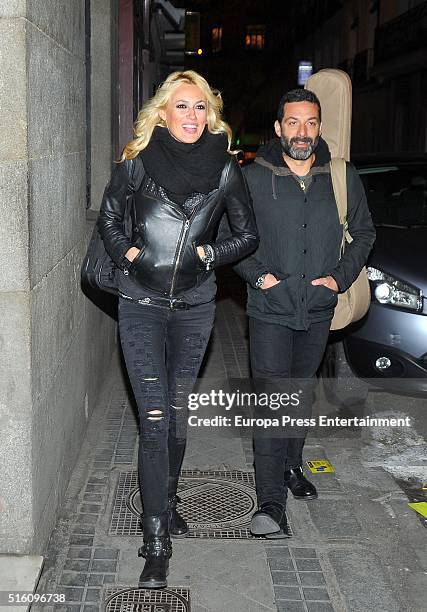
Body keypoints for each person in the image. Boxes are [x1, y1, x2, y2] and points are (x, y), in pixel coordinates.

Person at [97, 70, 258, 587]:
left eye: (200, 108)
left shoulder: (225, 170)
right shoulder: (136, 165)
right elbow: (109, 218)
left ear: (210, 115)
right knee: (157, 418)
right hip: (140, 303)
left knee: (179, 414)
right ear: (162, 113)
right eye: (182, 106)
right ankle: (155, 539)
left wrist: (212, 253)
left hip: (195, 307)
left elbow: (247, 235)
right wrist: (129, 253)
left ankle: (166, 503)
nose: (192, 116)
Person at [234, 88, 375, 538]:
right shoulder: (253, 178)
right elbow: (231, 238)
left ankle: (292, 465)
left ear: (319, 127)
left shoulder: (340, 177)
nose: (302, 132)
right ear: (278, 128)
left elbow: (365, 233)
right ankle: (270, 502)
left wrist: (337, 280)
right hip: (270, 308)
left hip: (317, 309)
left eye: (310, 123)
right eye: (293, 122)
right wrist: (261, 279)